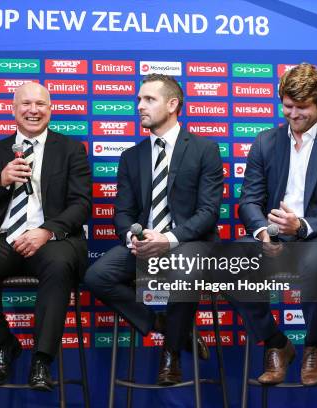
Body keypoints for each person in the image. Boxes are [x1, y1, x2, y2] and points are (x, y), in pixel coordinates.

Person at [84, 74, 224, 385]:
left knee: (186, 268)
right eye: (138, 99)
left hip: (190, 243)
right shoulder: (131, 156)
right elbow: (122, 212)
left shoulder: (205, 149)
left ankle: (171, 353)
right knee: (96, 276)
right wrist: (132, 237)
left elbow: (208, 212)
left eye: (149, 99)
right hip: (144, 246)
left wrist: (170, 239)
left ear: (173, 104)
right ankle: (161, 323)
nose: (139, 106)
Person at [0, 82, 91, 391]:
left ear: (50, 109)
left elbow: (82, 205)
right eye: (26, 104)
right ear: (13, 110)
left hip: (53, 240)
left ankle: (41, 360)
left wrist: (47, 231)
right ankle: (4, 344)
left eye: (40, 104)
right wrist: (0, 181)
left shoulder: (71, 149)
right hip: (4, 240)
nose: (33, 110)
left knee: (59, 266)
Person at [234, 63, 317, 386]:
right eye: (288, 106)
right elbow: (248, 202)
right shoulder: (264, 142)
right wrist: (264, 233)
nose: (293, 114)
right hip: (275, 237)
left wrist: (301, 225)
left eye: (302, 107)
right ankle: (277, 343)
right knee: (230, 260)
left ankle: (313, 346)